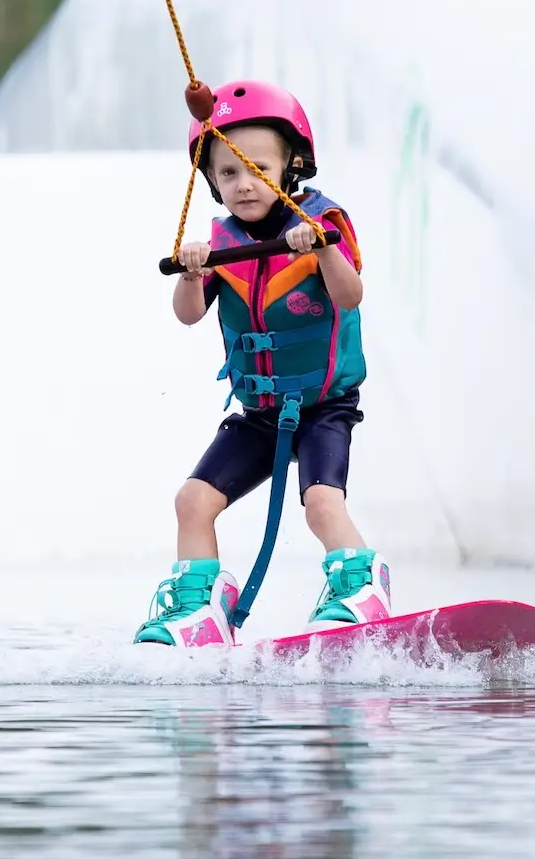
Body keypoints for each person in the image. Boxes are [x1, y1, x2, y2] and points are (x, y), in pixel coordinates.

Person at [135, 79, 393, 647]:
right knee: (192, 502)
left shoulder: (323, 223)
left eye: (256, 169)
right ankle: (200, 608)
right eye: (228, 173)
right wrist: (192, 273)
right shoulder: (218, 243)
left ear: (291, 166)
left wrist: (321, 246)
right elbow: (188, 315)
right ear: (212, 182)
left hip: (322, 406)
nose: (243, 184)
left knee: (322, 505)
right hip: (259, 413)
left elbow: (349, 296)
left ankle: (360, 583)